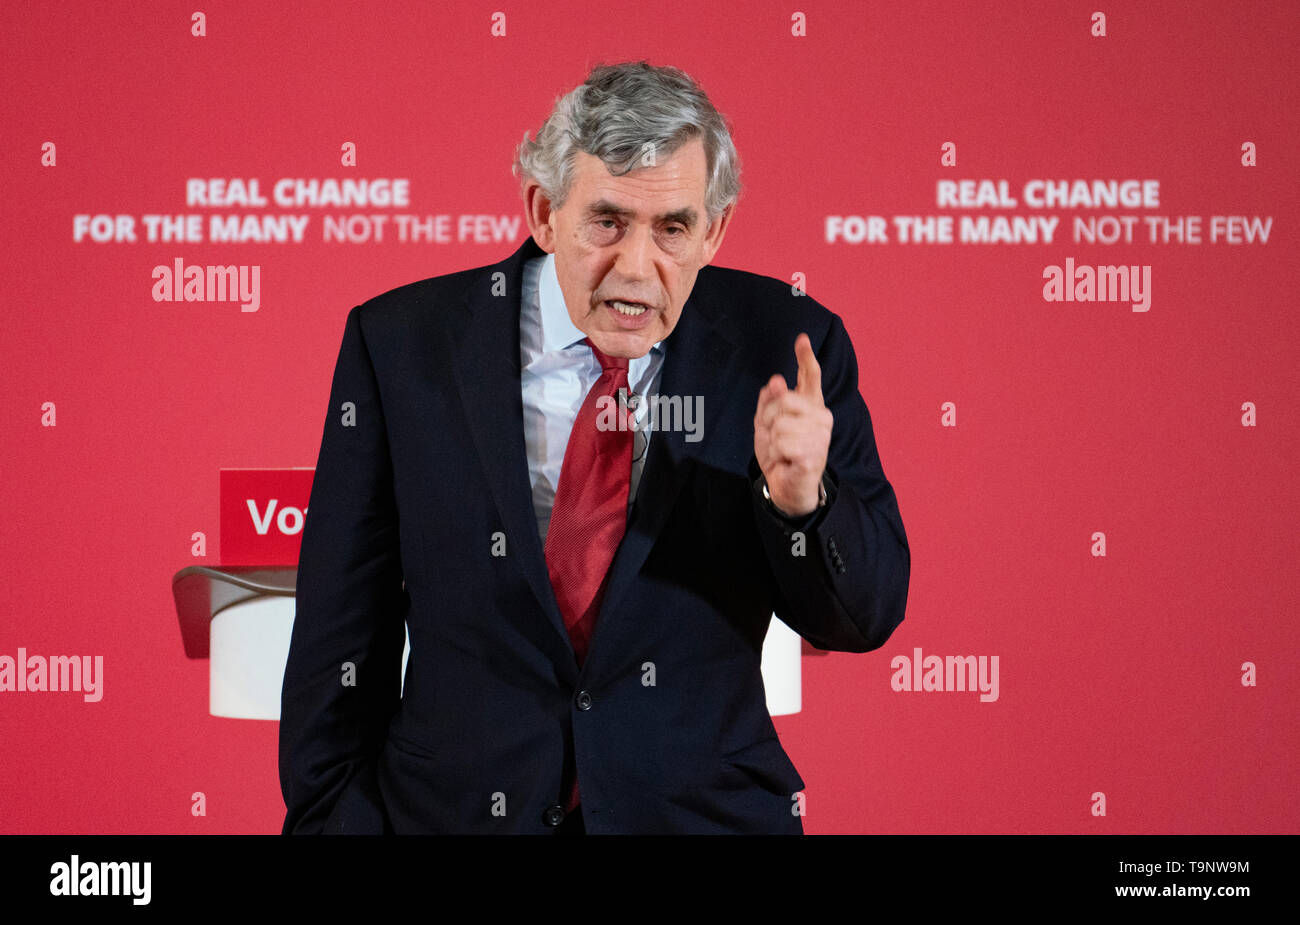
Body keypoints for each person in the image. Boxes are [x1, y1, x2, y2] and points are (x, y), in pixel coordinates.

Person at [279, 60, 910, 835]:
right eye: (607, 221)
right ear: (545, 212)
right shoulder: (404, 345)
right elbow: (337, 637)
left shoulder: (786, 346)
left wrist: (801, 504)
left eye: (673, 228)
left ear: (714, 230)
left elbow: (865, 616)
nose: (637, 269)